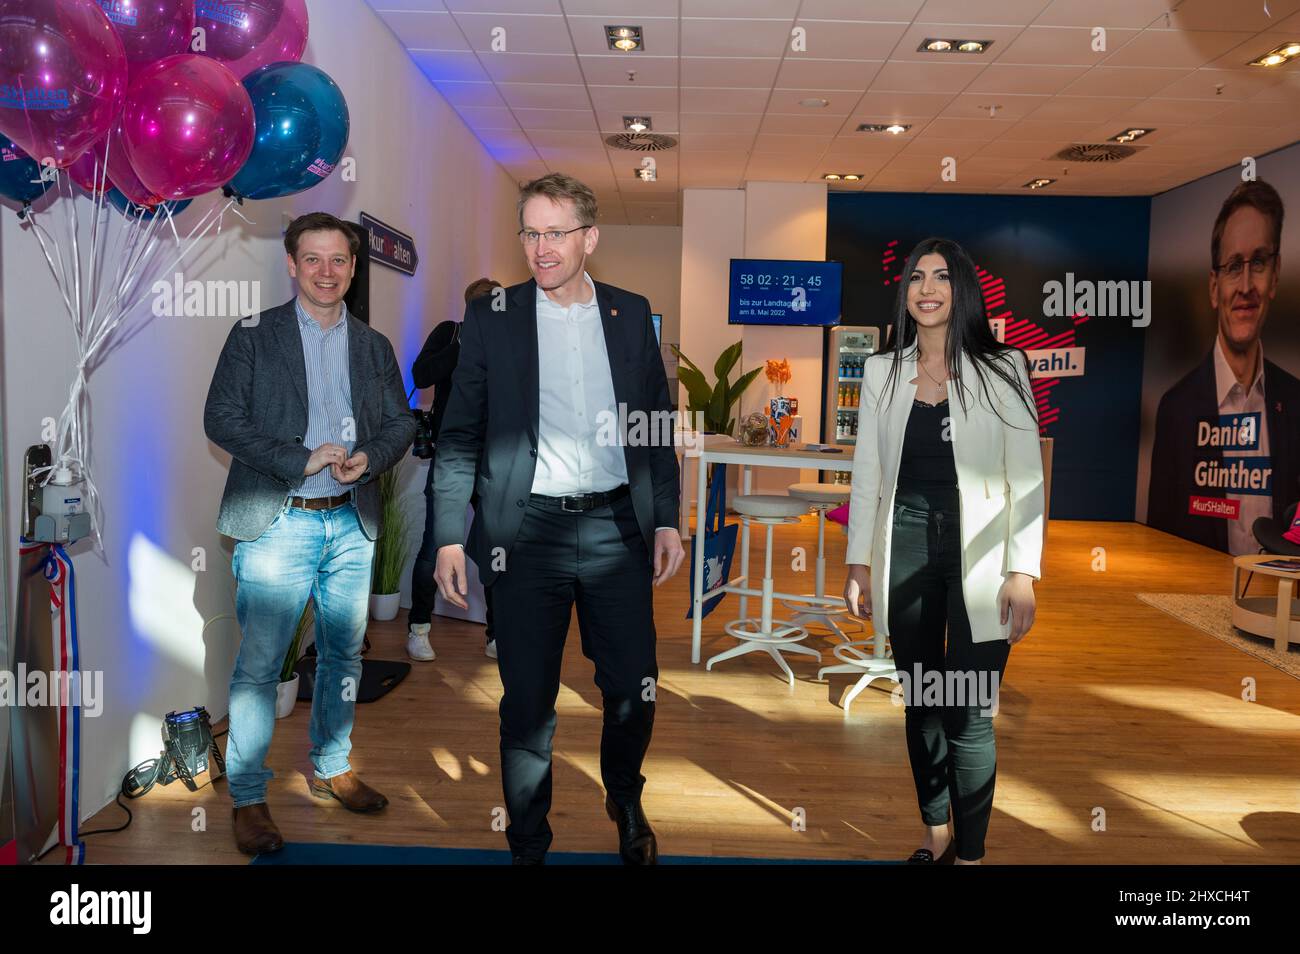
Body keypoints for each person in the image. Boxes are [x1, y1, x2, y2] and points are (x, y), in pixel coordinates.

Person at [432, 172, 685, 864]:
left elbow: (654, 425)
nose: (541, 248)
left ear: (589, 238)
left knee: (633, 688)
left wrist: (666, 518)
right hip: (527, 536)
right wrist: (450, 534)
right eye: (531, 233)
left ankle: (625, 796)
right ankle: (529, 839)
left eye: (556, 233)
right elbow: (458, 435)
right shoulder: (494, 318)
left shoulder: (629, 314)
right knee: (528, 702)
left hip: (617, 531)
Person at [204, 212, 417, 856]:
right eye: (314, 260)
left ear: (354, 269)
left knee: (345, 657)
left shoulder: (374, 345)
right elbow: (222, 419)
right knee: (262, 666)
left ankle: (332, 766)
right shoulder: (253, 336)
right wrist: (301, 458)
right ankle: (247, 796)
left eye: (340, 261)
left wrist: (368, 458)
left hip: (351, 523)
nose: (328, 273)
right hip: (279, 522)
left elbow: (400, 424)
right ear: (292, 264)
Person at [842, 237, 1044, 865]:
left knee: (970, 709)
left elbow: (1027, 477)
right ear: (905, 294)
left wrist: (1022, 571)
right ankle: (936, 835)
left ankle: (973, 854)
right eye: (916, 278)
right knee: (924, 697)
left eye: (941, 277)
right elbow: (869, 474)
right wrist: (858, 563)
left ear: (963, 290)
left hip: (982, 557)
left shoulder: (1004, 366)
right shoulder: (882, 371)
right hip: (903, 549)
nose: (926, 289)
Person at [1147, 179, 1297, 554]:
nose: (1246, 285)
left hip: (1276, 606)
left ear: (1275, 275)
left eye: (1258, 263)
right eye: (1233, 266)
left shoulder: (1297, 404)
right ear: (1214, 287)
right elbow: (1160, 537)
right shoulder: (1176, 410)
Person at [406, 278, 503, 662]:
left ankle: (497, 634)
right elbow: (421, 375)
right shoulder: (451, 334)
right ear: (469, 309)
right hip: (452, 455)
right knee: (436, 543)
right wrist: (464, 343)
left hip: (494, 459)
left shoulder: (507, 345)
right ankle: (418, 628)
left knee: (496, 545)